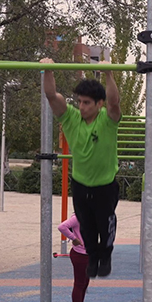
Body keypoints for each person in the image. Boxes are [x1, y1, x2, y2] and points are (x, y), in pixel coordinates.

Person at [42, 58, 121, 279]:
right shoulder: (70, 118)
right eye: (80, 101)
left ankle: (105, 255)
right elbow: (51, 95)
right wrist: (48, 69)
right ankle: (93, 256)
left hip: (105, 186)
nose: (82, 106)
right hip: (80, 184)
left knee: (104, 228)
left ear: (99, 104)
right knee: (85, 227)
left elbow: (114, 102)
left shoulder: (107, 120)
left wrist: (108, 74)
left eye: (87, 102)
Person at [58, 214, 96, 302]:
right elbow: (62, 227)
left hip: (88, 253)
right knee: (79, 283)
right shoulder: (78, 217)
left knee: (85, 282)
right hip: (80, 255)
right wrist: (73, 238)